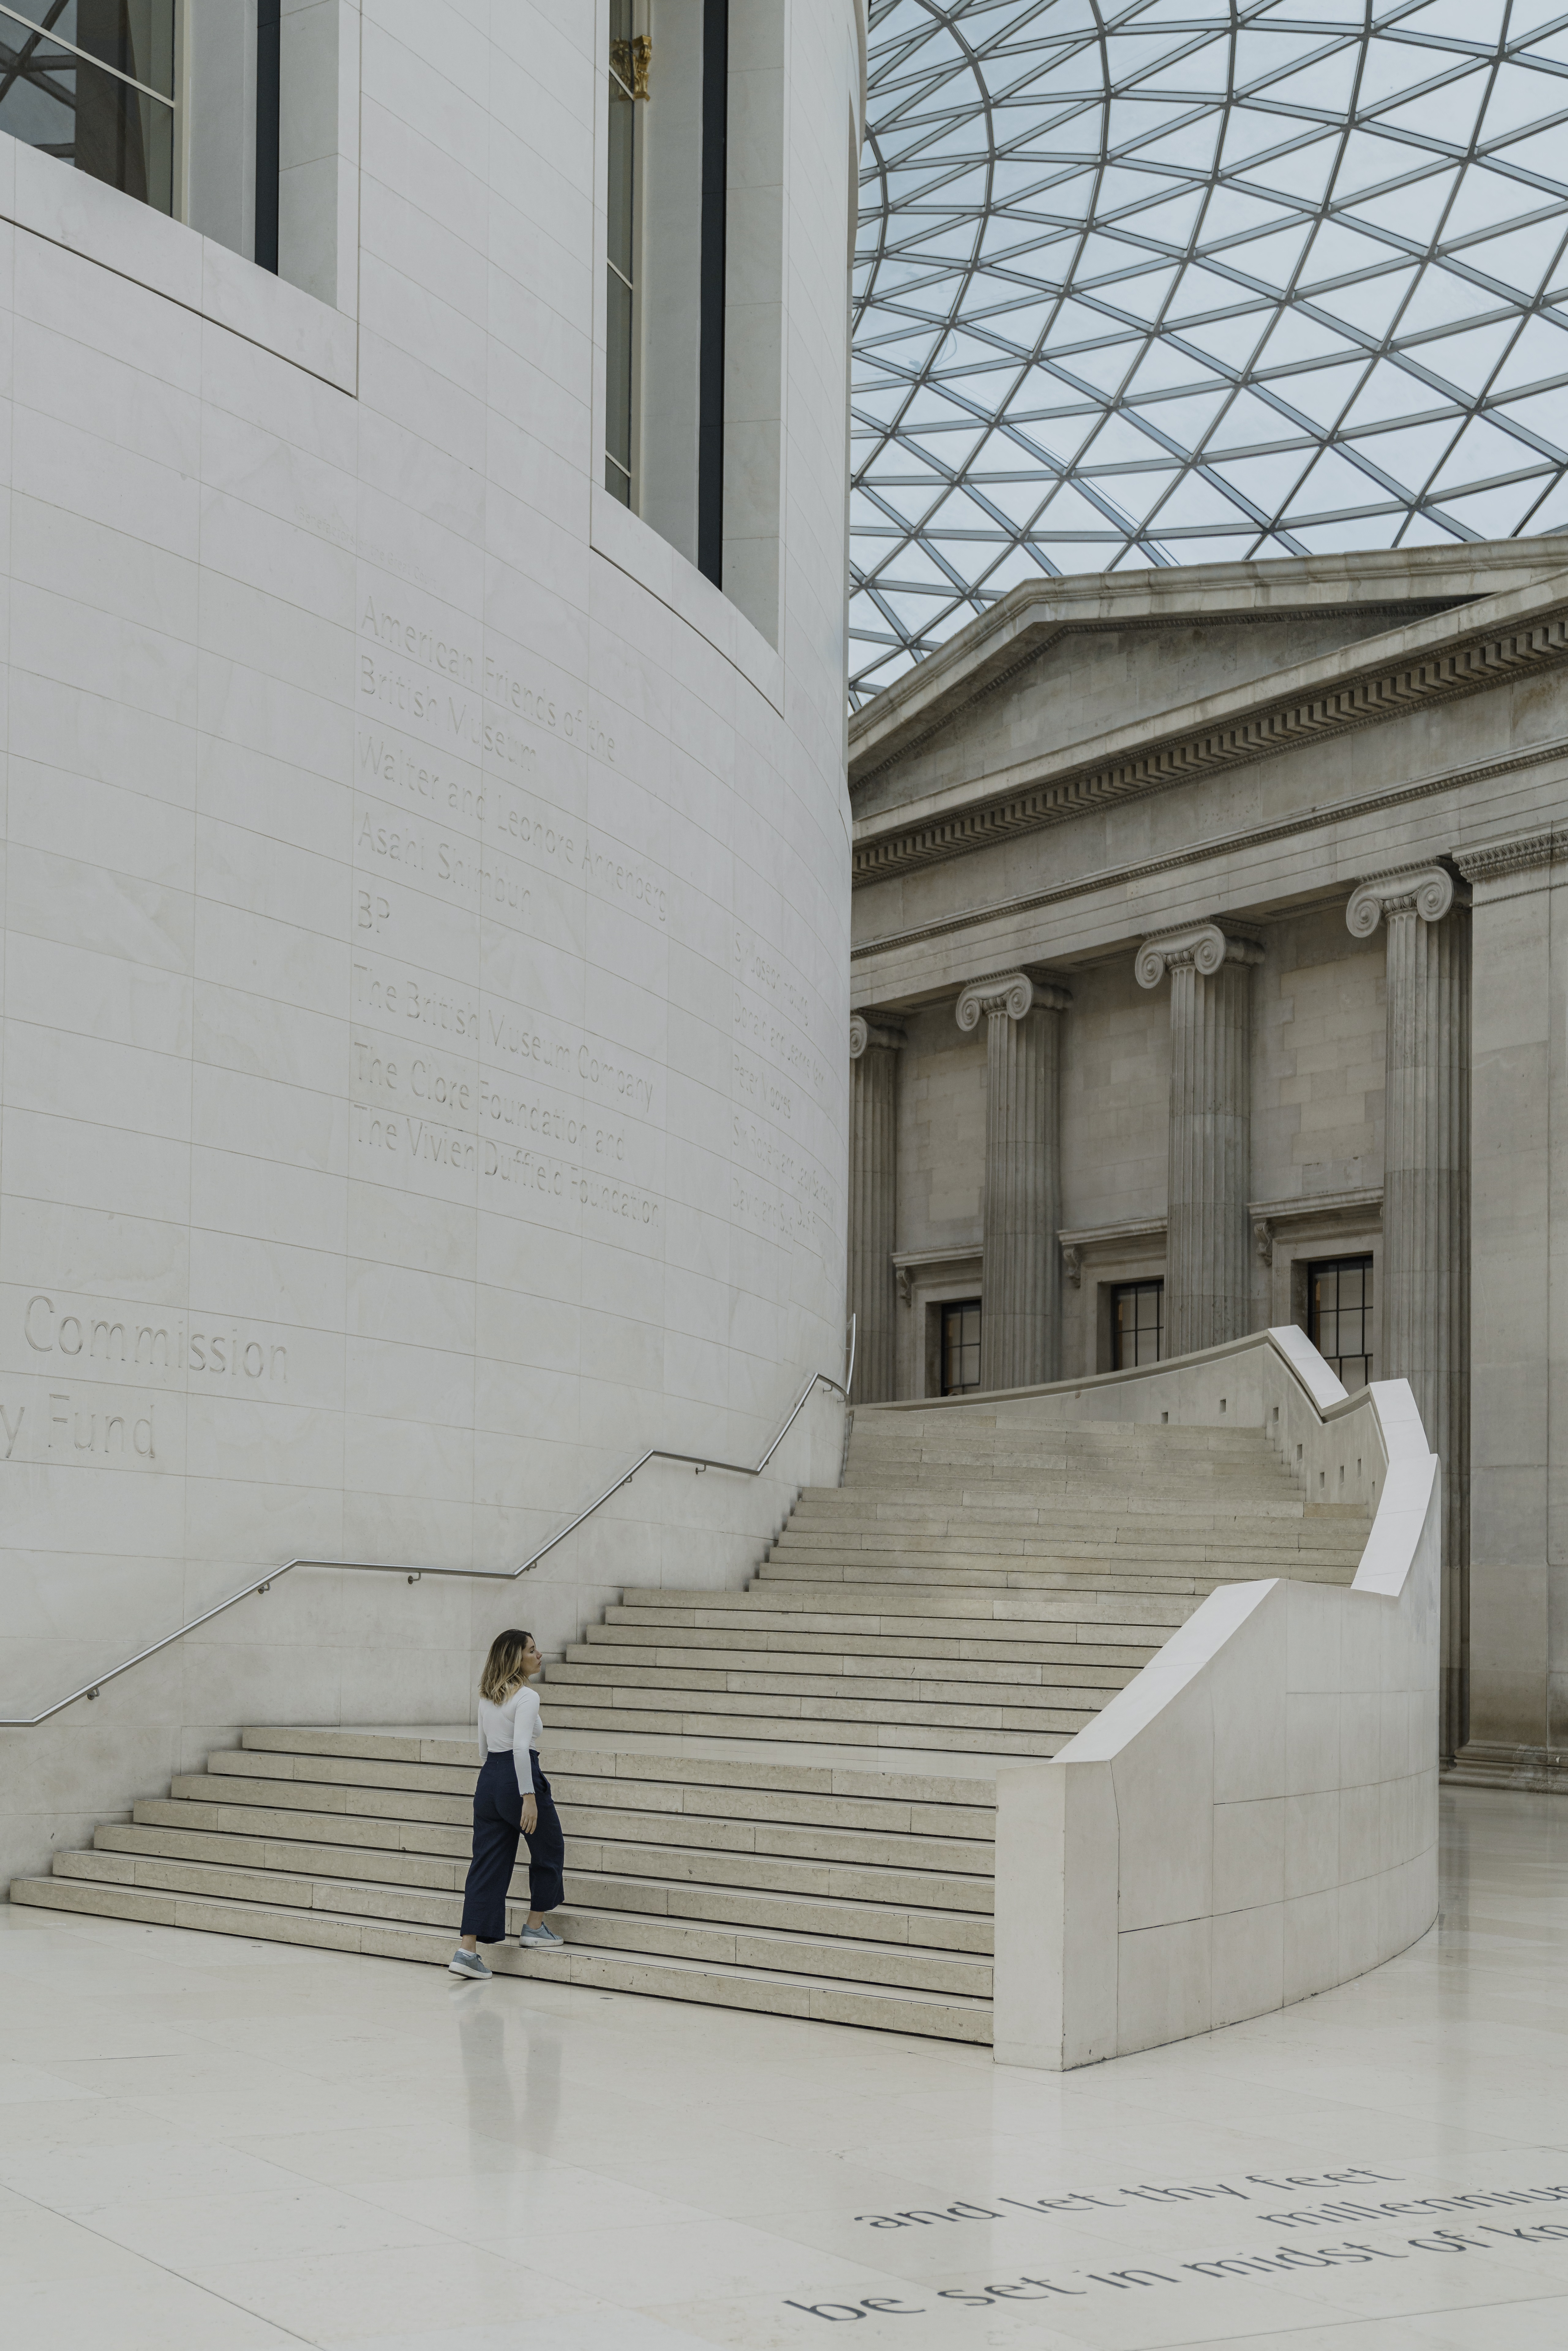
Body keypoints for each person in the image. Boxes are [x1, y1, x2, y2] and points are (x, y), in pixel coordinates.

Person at [449, 1628, 566, 1980]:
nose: (539, 1655)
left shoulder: (488, 1696)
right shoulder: (527, 1696)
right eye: (531, 1650)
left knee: (486, 1864)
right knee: (549, 1848)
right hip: (519, 1779)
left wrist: (500, 1783)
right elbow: (520, 1748)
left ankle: (467, 1951)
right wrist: (528, 1797)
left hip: (489, 1781)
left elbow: (483, 1749)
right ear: (516, 1659)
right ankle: (535, 1927)